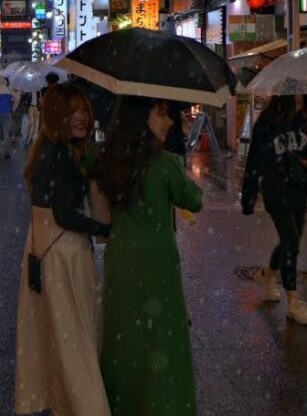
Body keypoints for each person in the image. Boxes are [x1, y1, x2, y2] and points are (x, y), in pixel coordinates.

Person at [90, 96, 204, 416]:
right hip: (158, 266)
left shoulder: (106, 158)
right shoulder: (166, 163)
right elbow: (193, 201)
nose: (169, 122)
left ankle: (120, 405)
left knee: (124, 343)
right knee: (163, 342)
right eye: (162, 114)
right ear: (143, 119)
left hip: (120, 265)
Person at [14, 84, 111, 416]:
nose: (82, 117)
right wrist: (106, 229)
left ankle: (63, 401)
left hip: (44, 249)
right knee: (76, 340)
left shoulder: (50, 149)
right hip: (64, 254)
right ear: (58, 115)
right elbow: (66, 214)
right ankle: (87, 407)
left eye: (84, 110)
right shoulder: (58, 155)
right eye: (73, 111)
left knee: (59, 337)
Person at [241, 94, 307, 326]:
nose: (300, 107)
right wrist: (248, 197)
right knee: (291, 240)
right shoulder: (267, 124)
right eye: (297, 102)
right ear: (285, 100)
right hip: (275, 187)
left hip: (299, 187)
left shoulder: (303, 121)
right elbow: (254, 160)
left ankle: (267, 275)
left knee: (291, 240)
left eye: (304, 103)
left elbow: (306, 152)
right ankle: (294, 302)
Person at [0, 77, 17, 158]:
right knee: (6, 133)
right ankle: (7, 152)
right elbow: (17, 98)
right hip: (7, 113)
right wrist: (13, 108)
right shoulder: (9, 89)